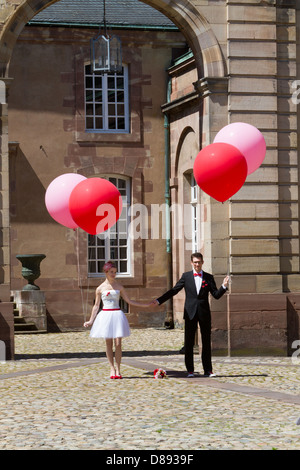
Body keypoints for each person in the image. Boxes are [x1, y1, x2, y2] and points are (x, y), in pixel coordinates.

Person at [152, 252, 229, 378]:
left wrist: (224, 286)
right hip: (190, 312)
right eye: (195, 262)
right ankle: (190, 371)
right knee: (188, 343)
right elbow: (174, 290)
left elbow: (216, 295)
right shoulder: (186, 276)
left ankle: (208, 370)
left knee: (206, 341)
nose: (197, 264)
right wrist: (159, 300)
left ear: (202, 262)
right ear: (191, 263)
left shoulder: (209, 277)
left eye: (199, 262)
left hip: (204, 313)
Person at [84, 261, 151, 379]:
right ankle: (112, 368)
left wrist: (145, 305)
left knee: (118, 343)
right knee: (108, 343)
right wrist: (90, 321)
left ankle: (118, 369)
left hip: (117, 314)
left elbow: (129, 301)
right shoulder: (100, 288)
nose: (114, 274)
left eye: (115, 272)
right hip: (105, 316)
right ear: (106, 272)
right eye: (111, 272)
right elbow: (96, 305)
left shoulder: (119, 287)